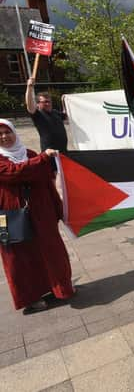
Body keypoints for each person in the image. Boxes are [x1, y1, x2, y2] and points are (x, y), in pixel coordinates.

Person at [0, 119, 75, 315]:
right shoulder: (21, 159)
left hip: (41, 213)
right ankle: (31, 299)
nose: (4, 137)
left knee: (51, 250)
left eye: (7, 132)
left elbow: (47, 182)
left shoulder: (30, 155)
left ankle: (58, 288)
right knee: (18, 257)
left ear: (14, 133)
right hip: (8, 216)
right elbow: (14, 173)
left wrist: (59, 210)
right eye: (0, 134)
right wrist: (43, 159)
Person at [25, 78, 68, 153]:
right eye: (45, 102)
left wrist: (64, 101)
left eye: (49, 101)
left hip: (63, 151)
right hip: (49, 154)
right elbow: (29, 104)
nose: (48, 104)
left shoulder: (55, 112)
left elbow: (66, 115)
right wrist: (29, 87)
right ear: (38, 104)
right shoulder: (38, 114)